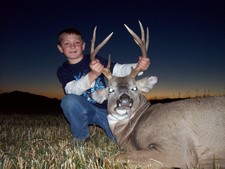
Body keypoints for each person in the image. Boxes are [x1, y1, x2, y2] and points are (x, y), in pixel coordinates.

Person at [57, 28, 150, 143]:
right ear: (60, 48)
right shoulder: (63, 70)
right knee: (69, 101)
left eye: (77, 43)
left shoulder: (97, 60)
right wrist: (93, 74)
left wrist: (139, 66)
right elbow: (71, 90)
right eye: (67, 43)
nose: (72, 46)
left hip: (108, 111)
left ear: (83, 45)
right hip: (84, 110)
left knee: (122, 141)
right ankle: (81, 136)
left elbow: (119, 70)